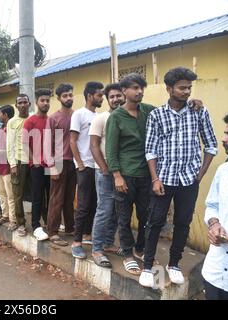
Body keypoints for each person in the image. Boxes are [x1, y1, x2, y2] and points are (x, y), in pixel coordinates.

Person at [140, 67, 218, 287]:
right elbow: (151, 150)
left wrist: (200, 175)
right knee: (154, 222)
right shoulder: (157, 115)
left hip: (188, 181)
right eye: (182, 88)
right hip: (163, 179)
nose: (186, 92)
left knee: (183, 223)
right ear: (169, 89)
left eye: (189, 88)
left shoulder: (199, 112)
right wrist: (155, 179)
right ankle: (147, 267)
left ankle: (174, 264)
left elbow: (211, 145)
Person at [105, 74, 155, 275]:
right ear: (124, 91)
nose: (140, 91)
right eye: (135, 87)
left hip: (147, 175)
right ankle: (127, 253)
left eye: (142, 87)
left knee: (146, 216)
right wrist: (116, 175)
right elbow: (111, 149)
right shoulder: (116, 117)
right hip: (125, 175)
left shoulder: (149, 111)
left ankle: (140, 248)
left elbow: (170, 112)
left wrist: (193, 102)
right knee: (123, 218)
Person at [89, 83, 125, 268]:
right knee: (104, 209)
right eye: (112, 97)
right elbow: (94, 145)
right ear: (108, 100)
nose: (116, 99)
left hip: (124, 174)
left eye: (119, 95)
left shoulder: (129, 117)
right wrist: (103, 168)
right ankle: (97, 249)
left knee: (118, 211)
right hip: (104, 173)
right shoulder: (101, 118)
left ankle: (109, 243)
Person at [201, 112, 228, 300]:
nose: (224, 139)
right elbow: (212, 204)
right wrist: (214, 224)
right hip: (215, 269)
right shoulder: (224, 170)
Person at [69, 82, 103, 258]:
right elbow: (73, 140)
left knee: (95, 203)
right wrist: (80, 163)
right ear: (90, 96)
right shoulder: (79, 114)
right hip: (85, 166)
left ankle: (87, 234)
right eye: (99, 95)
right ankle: (76, 242)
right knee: (82, 205)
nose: (102, 98)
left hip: (98, 166)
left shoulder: (98, 116)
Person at [46, 83, 76, 246]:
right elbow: (46, 144)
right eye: (65, 96)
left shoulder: (77, 115)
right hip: (57, 161)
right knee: (56, 198)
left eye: (70, 95)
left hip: (75, 161)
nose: (68, 98)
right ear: (58, 98)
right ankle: (53, 231)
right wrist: (51, 166)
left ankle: (70, 227)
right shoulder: (53, 118)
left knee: (70, 198)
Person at [23, 89, 52, 241]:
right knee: (37, 196)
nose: (45, 103)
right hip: (37, 166)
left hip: (50, 165)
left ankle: (50, 222)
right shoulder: (30, 121)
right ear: (36, 102)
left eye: (48, 100)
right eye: (42, 100)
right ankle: (36, 226)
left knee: (51, 195)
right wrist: (33, 161)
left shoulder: (52, 120)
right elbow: (25, 143)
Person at [7, 94, 31, 235]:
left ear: (29, 104)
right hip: (19, 161)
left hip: (34, 162)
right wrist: (12, 164)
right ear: (16, 106)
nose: (22, 105)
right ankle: (20, 223)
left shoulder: (34, 118)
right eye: (20, 103)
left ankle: (43, 222)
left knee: (39, 193)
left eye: (25, 102)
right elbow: (10, 144)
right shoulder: (12, 122)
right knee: (18, 195)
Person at [0, 105, 16, 226]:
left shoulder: (12, 129)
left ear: (6, 115)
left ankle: (13, 219)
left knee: (10, 194)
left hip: (8, 165)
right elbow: (1, 144)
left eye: (0, 114)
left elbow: (12, 147)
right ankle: (5, 215)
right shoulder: (2, 128)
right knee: (1, 193)